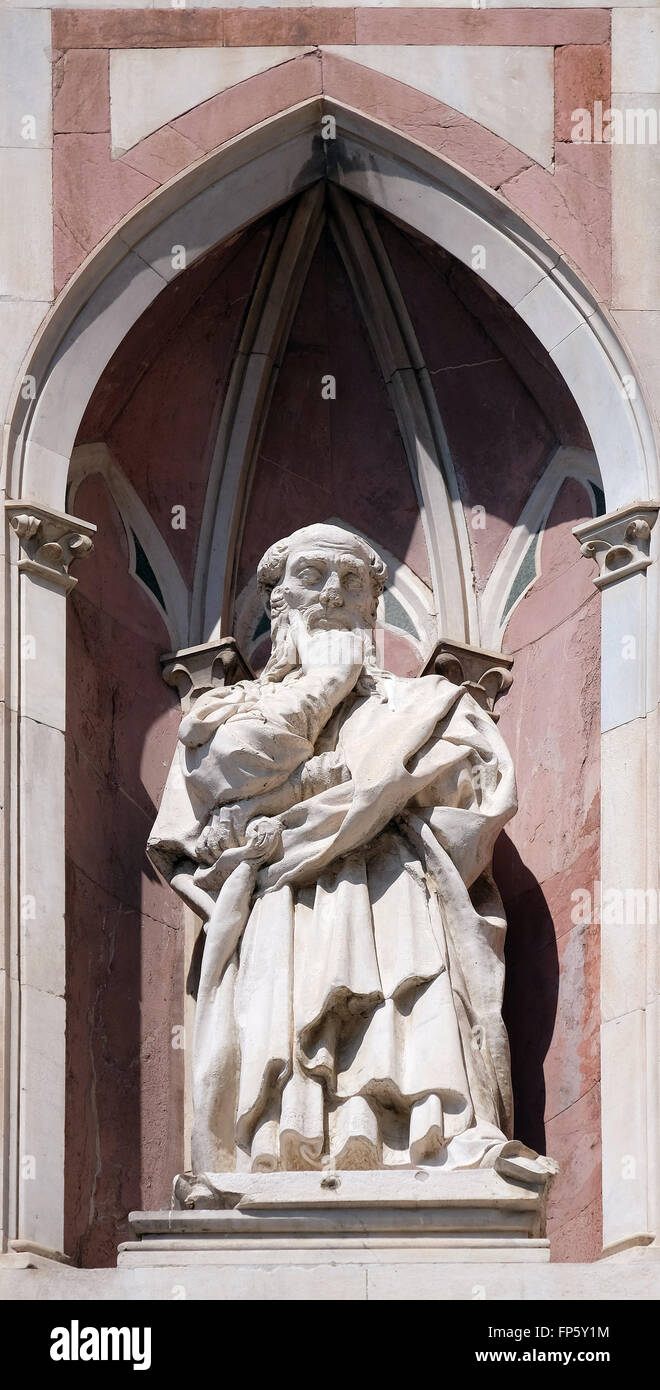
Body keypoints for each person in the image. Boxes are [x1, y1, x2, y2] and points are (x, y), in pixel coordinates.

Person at [148, 524, 525, 1177]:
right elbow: (224, 777)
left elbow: (468, 785)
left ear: (373, 609)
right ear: (280, 602)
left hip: (396, 891)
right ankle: (286, 1148)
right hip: (284, 905)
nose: (332, 594)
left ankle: (420, 1142)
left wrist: (314, 797)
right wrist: (325, 687)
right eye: (313, 576)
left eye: (351, 582)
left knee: (402, 1017)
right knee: (290, 1031)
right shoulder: (233, 707)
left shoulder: (426, 701)